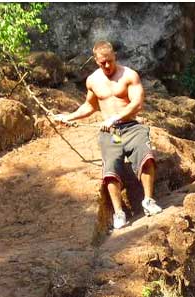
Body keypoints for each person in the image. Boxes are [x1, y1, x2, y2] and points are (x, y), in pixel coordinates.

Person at [53, 41, 163, 229]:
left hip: (131, 126)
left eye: (110, 61)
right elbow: (90, 105)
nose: (107, 66)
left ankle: (148, 201)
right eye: (102, 62)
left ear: (115, 57)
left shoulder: (129, 75)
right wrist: (68, 116)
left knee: (146, 156)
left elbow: (137, 103)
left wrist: (115, 118)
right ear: (96, 61)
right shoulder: (93, 81)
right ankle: (119, 213)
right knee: (111, 166)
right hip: (110, 132)